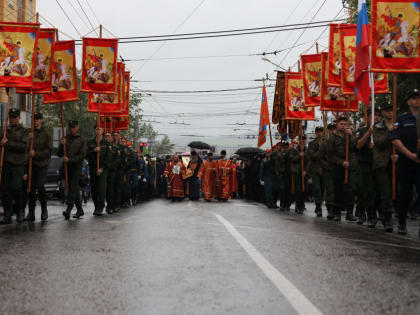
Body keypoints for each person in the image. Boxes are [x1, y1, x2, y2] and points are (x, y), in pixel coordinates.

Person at [392, 89, 420, 235]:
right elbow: (396, 140)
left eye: (418, 98)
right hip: (407, 163)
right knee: (405, 194)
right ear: (408, 101)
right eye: (414, 98)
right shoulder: (402, 119)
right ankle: (402, 222)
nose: (417, 100)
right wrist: (410, 155)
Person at [0, 108, 29, 224]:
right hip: (6, 162)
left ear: (19, 118)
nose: (13, 120)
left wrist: (7, 143)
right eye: (11, 117)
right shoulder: (5, 130)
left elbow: (22, 147)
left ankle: (20, 210)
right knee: (4, 189)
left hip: (18, 163)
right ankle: (7, 213)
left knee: (16, 187)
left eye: (15, 117)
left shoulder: (24, 131)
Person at [326, 117, 357, 222]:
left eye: (345, 124)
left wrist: (351, 135)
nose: (343, 126)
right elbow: (329, 155)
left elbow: (354, 147)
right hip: (337, 167)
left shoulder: (349, 136)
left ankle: (350, 213)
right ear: (337, 125)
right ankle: (337, 213)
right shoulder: (332, 138)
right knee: (338, 190)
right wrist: (341, 162)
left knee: (350, 190)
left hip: (350, 166)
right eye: (341, 124)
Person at [373, 103, 398, 232]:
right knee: (386, 193)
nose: (390, 113)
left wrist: (398, 154)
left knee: (399, 191)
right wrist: (389, 131)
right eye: (387, 111)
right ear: (383, 113)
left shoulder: (398, 124)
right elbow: (379, 143)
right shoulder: (377, 127)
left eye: (391, 110)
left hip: (396, 163)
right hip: (382, 164)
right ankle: (388, 219)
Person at [355, 110, 382, 226]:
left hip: (378, 164)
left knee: (378, 191)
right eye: (373, 115)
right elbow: (358, 145)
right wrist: (368, 134)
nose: (376, 117)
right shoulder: (361, 130)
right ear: (368, 116)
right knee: (365, 190)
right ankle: (367, 214)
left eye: (378, 115)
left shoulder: (382, 130)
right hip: (364, 163)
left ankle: (378, 213)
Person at [25, 113, 52, 222]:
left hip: (42, 164)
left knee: (40, 186)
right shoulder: (29, 133)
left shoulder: (46, 134)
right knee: (30, 189)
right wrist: (29, 139)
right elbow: (24, 148)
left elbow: (48, 151)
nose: (35, 121)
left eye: (37, 120)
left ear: (41, 120)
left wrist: (36, 154)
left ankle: (44, 210)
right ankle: (31, 213)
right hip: (31, 164)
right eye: (34, 120)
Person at [58, 120, 87, 220]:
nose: (72, 129)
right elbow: (59, 153)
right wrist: (62, 144)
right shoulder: (65, 138)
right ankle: (80, 209)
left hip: (76, 166)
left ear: (78, 127)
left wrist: (70, 159)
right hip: (67, 167)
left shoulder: (81, 140)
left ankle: (68, 209)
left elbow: (82, 155)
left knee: (73, 187)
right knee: (73, 188)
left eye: (73, 127)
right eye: (70, 127)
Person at [87, 125, 111, 216]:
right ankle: (96, 205)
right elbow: (86, 154)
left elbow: (108, 158)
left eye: (100, 129)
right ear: (94, 131)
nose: (98, 131)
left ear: (103, 130)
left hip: (102, 168)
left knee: (101, 187)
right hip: (93, 167)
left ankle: (100, 206)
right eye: (96, 129)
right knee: (94, 188)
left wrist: (102, 168)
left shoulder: (106, 143)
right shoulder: (90, 143)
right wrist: (94, 150)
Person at [320, 123, 336, 220]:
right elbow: (320, 158)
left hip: (339, 169)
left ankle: (337, 209)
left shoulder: (342, 141)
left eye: (334, 129)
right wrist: (327, 166)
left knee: (338, 190)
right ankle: (330, 209)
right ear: (328, 131)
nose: (333, 131)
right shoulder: (325, 143)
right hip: (328, 170)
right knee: (330, 190)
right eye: (331, 129)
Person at [307, 126, 324, 217]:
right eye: (318, 132)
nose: (319, 133)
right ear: (315, 133)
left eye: (321, 131)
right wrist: (321, 149)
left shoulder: (326, 142)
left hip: (324, 168)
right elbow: (313, 156)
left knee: (322, 188)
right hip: (315, 169)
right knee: (317, 189)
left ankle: (318, 205)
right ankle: (318, 207)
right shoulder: (311, 144)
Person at [289, 136, 308, 214]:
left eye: (303, 139)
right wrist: (298, 156)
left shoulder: (307, 149)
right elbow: (291, 159)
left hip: (304, 172)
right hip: (296, 172)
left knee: (305, 190)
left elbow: (309, 161)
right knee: (298, 190)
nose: (302, 141)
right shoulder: (294, 149)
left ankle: (302, 204)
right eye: (301, 139)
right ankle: (298, 206)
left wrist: (306, 171)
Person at [105, 131, 119, 214]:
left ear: (111, 138)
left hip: (111, 171)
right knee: (105, 190)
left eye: (108, 136)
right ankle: (107, 205)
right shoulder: (102, 147)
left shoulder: (115, 148)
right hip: (104, 170)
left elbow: (117, 161)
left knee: (111, 189)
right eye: (105, 136)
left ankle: (111, 206)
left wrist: (109, 165)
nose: (107, 138)